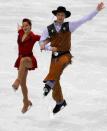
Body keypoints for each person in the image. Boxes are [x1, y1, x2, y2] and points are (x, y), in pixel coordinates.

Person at [40, 2, 105, 114]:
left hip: (65, 55)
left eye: (63, 15)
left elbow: (84, 19)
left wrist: (96, 10)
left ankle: (49, 83)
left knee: (56, 73)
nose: (61, 17)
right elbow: (41, 43)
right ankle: (60, 102)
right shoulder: (48, 29)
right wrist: (50, 48)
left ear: (65, 16)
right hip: (54, 57)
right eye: (59, 15)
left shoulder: (69, 26)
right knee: (56, 80)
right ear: (56, 15)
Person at [12, 18, 40, 113]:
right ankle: (26, 102)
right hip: (20, 60)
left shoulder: (33, 36)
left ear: (30, 26)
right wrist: (20, 27)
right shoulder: (20, 32)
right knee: (23, 84)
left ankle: (17, 80)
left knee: (24, 60)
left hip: (29, 60)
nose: (24, 27)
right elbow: (19, 28)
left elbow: (43, 38)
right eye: (23, 26)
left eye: (27, 26)